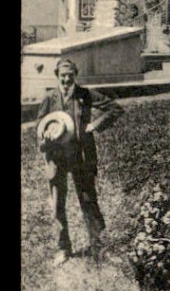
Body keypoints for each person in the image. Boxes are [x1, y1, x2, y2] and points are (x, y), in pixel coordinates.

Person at [36, 58, 122, 266]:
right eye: (63, 75)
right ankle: (62, 248)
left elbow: (114, 109)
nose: (66, 79)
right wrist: (45, 135)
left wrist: (94, 126)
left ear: (75, 75)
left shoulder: (84, 94)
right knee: (58, 203)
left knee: (88, 200)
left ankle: (99, 245)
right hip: (56, 158)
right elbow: (40, 125)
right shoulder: (49, 97)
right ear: (57, 75)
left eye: (70, 75)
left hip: (80, 156)